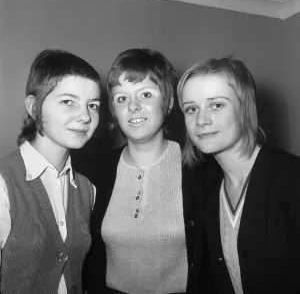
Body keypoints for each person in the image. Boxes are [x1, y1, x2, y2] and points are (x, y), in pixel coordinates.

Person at [84, 48, 205, 294]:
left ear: (169, 102)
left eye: (146, 94)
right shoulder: (94, 173)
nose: (133, 106)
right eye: (122, 98)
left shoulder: (201, 171)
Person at [177, 56, 300, 294]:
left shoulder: (292, 181)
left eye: (217, 105)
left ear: (245, 107)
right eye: (191, 109)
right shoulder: (212, 199)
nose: (201, 120)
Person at [0, 49, 101, 294]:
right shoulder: (4, 184)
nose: (85, 116)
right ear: (34, 107)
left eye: (93, 105)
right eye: (68, 101)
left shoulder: (88, 189)